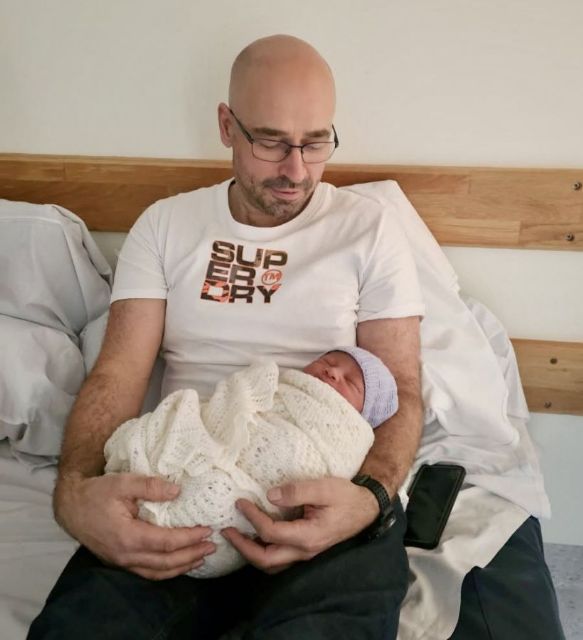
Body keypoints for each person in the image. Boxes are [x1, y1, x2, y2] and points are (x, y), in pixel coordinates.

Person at [28, 34, 564, 640]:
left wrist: (370, 498)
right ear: (227, 126)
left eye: (315, 142)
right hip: (182, 489)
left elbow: (402, 388)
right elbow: (117, 374)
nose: (296, 170)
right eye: (271, 142)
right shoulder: (166, 225)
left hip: (320, 500)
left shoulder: (368, 230)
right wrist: (75, 495)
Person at [104, 348, 399, 578]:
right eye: (329, 360)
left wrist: (368, 498)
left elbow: (404, 391)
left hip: (318, 516)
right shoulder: (284, 384)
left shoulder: (347, 430)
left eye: (352, 382)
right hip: (207, 437)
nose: (332, 371)